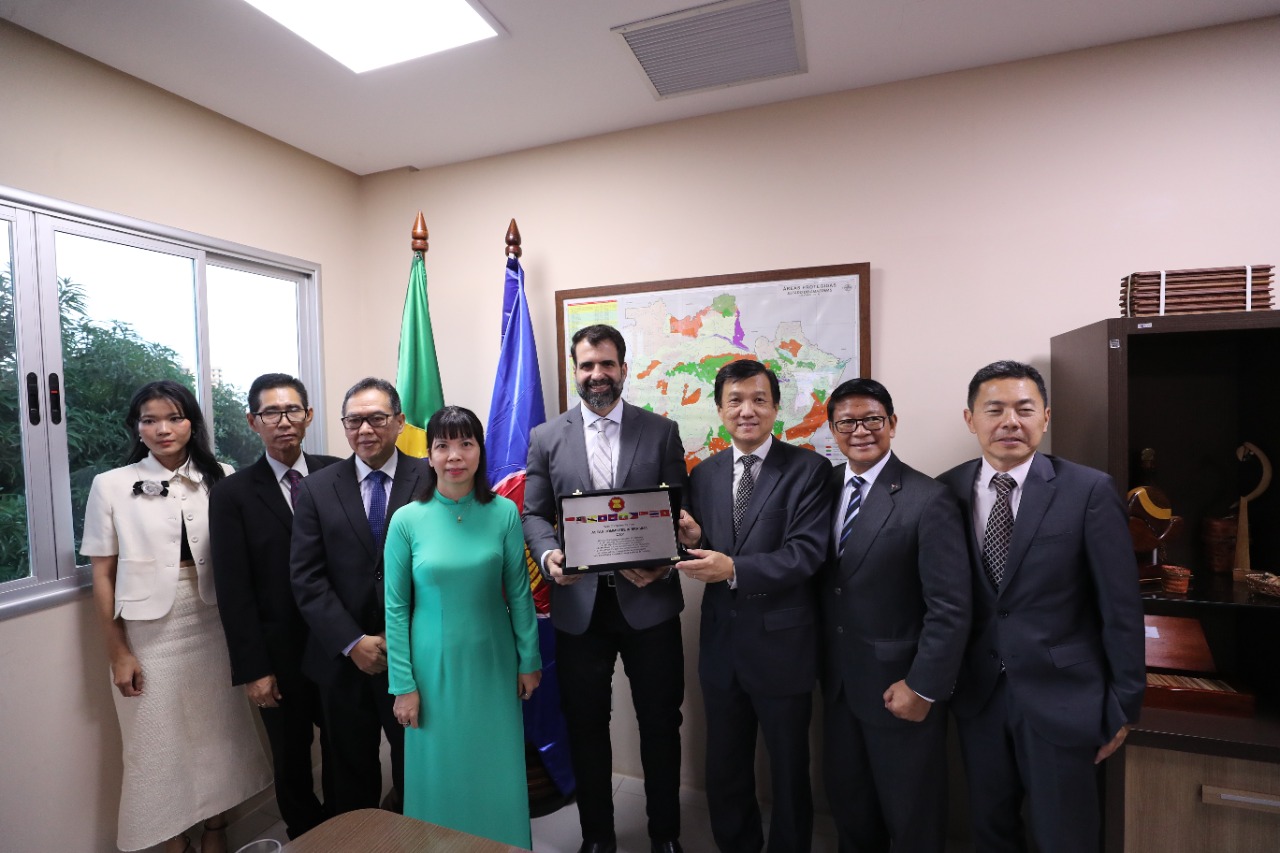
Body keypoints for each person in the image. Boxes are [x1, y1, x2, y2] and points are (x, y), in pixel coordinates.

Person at [937, 361, 1144, 853]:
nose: (1010, 421)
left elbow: (1120, 605)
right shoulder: (944, 491)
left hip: (1064, 697)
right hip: (979, 695)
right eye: (995, 409)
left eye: (1025, 409)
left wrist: (1124, 705)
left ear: (1045, 418)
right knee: (990, 831)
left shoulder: (1088, 490)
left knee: (1065, 836)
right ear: (970, 419)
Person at [82, 380, 271, 853]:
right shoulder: (111, 484)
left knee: (219, 734)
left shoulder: (222, 475)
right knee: (155, 743)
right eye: (150, 420)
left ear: (192, 424)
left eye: (174, 418)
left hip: (214, 621)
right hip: (148, 631)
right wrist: (118, 652)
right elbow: (102, 574)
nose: (162, 429)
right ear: (137, 427)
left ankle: (215, 830)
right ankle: (172, 840)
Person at [522, 323, 688, 853]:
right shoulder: (547, 437)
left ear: (623, 368)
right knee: (587, 726)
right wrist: (549, 555)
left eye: (607, 364)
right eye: (588, 365)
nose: (598, 374)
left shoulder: (661, 431)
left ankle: (665, 836)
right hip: (580, 608)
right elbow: (532, 514)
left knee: (660, 724)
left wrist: (665, 564)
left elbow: (679, 513)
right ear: (575, 371)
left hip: (650, 604)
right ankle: (597, 838)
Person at [677, 359, 830, 853]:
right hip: (721, 643)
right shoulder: (704, 473)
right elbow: (712, 547)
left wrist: (734, 569)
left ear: (776, 407)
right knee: (726, 764)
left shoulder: (809, 469)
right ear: (720, 410)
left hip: (783, 644)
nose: (747, 410)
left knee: (788, 767)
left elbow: (806, 554)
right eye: (735, 401)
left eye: (759, 399)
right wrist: (695, 540)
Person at [818, 378, 971, 853]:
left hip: (900, 688)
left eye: (872, 419)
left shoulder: (928, 497)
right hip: (838, 684)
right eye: (847, 422)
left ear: (892, 424)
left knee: (912, 816)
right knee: (851, 809)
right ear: (832, 430)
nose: (860, 431)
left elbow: (950, 606)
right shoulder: (823, 488)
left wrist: (923, 687)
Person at [385, 405, 542, 847]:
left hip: (493, 663)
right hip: (430, 670)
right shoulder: (406, 520)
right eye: (443, 445)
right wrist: (403, 684)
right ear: (429, 455)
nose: (454, 455)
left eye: (465, 444)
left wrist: (529, 660)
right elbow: (395, 608)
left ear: (480, 452)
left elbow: (519, 593)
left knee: (495, 765)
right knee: (440, 769)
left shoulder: (504, 513)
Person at [289, 377, 428, 814]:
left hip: (416, 655)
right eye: (354, 421)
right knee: (349, 777)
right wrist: (353, 642)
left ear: (400, 422)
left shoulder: (431, 478)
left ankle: (418, 839)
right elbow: (306, 576)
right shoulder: (315, 487)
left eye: (377, 419)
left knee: (418, 768)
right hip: (343, 660)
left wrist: (397, 637)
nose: (365, 429)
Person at [210, 373, 340, 839]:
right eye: (271, 412)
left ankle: (347, 832)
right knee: (291, 755)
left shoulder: (337, 473)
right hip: (278, 654)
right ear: (253, 421)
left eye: (292, 410)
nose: (283, 421)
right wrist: (254, 668)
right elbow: (233, 587)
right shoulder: (232, 494)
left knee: (345, 746)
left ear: (308, 415)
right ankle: (306, 836)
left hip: (338, 643)